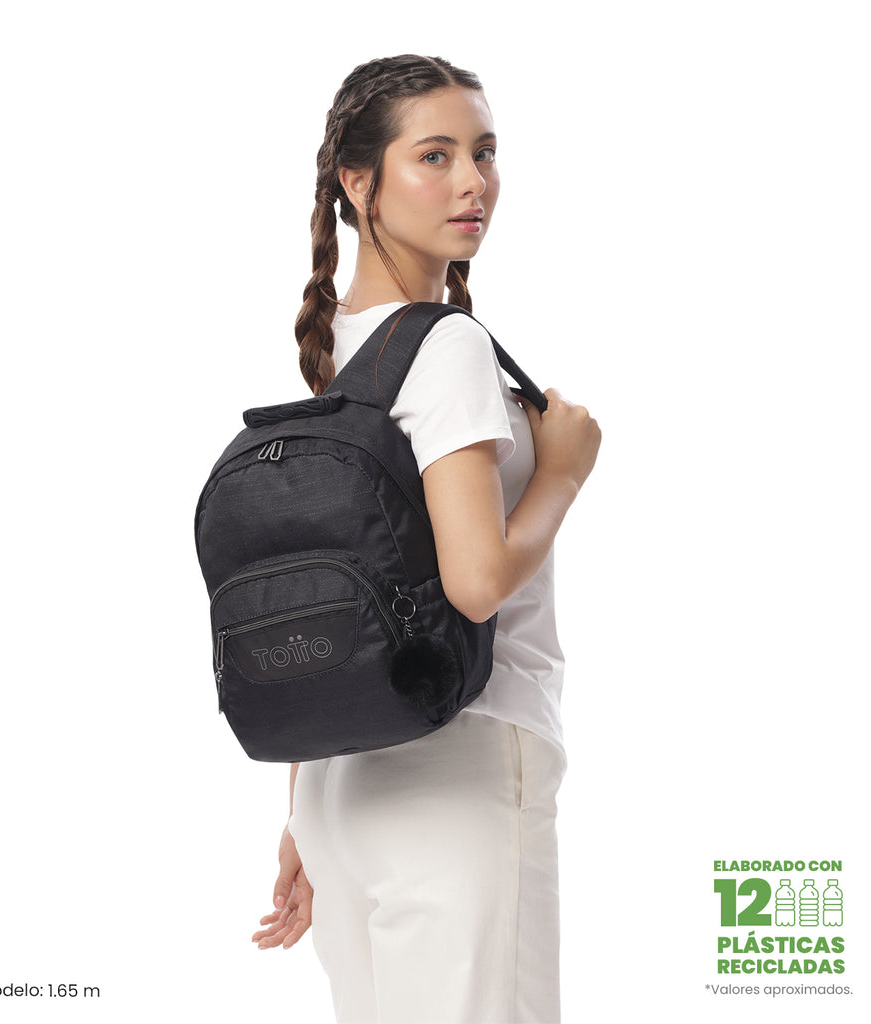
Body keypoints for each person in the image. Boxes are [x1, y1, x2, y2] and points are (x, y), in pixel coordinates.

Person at [249, 54, 601, 1024]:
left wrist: (303, 812)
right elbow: (477, 582)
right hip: (457, 770)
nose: (472, 182)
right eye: (434, 155)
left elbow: (336, 595)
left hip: (342, 792)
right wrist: (564, 473)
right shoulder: (445, 344)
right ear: (357, 183)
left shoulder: (343, 349)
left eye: (484, 152)